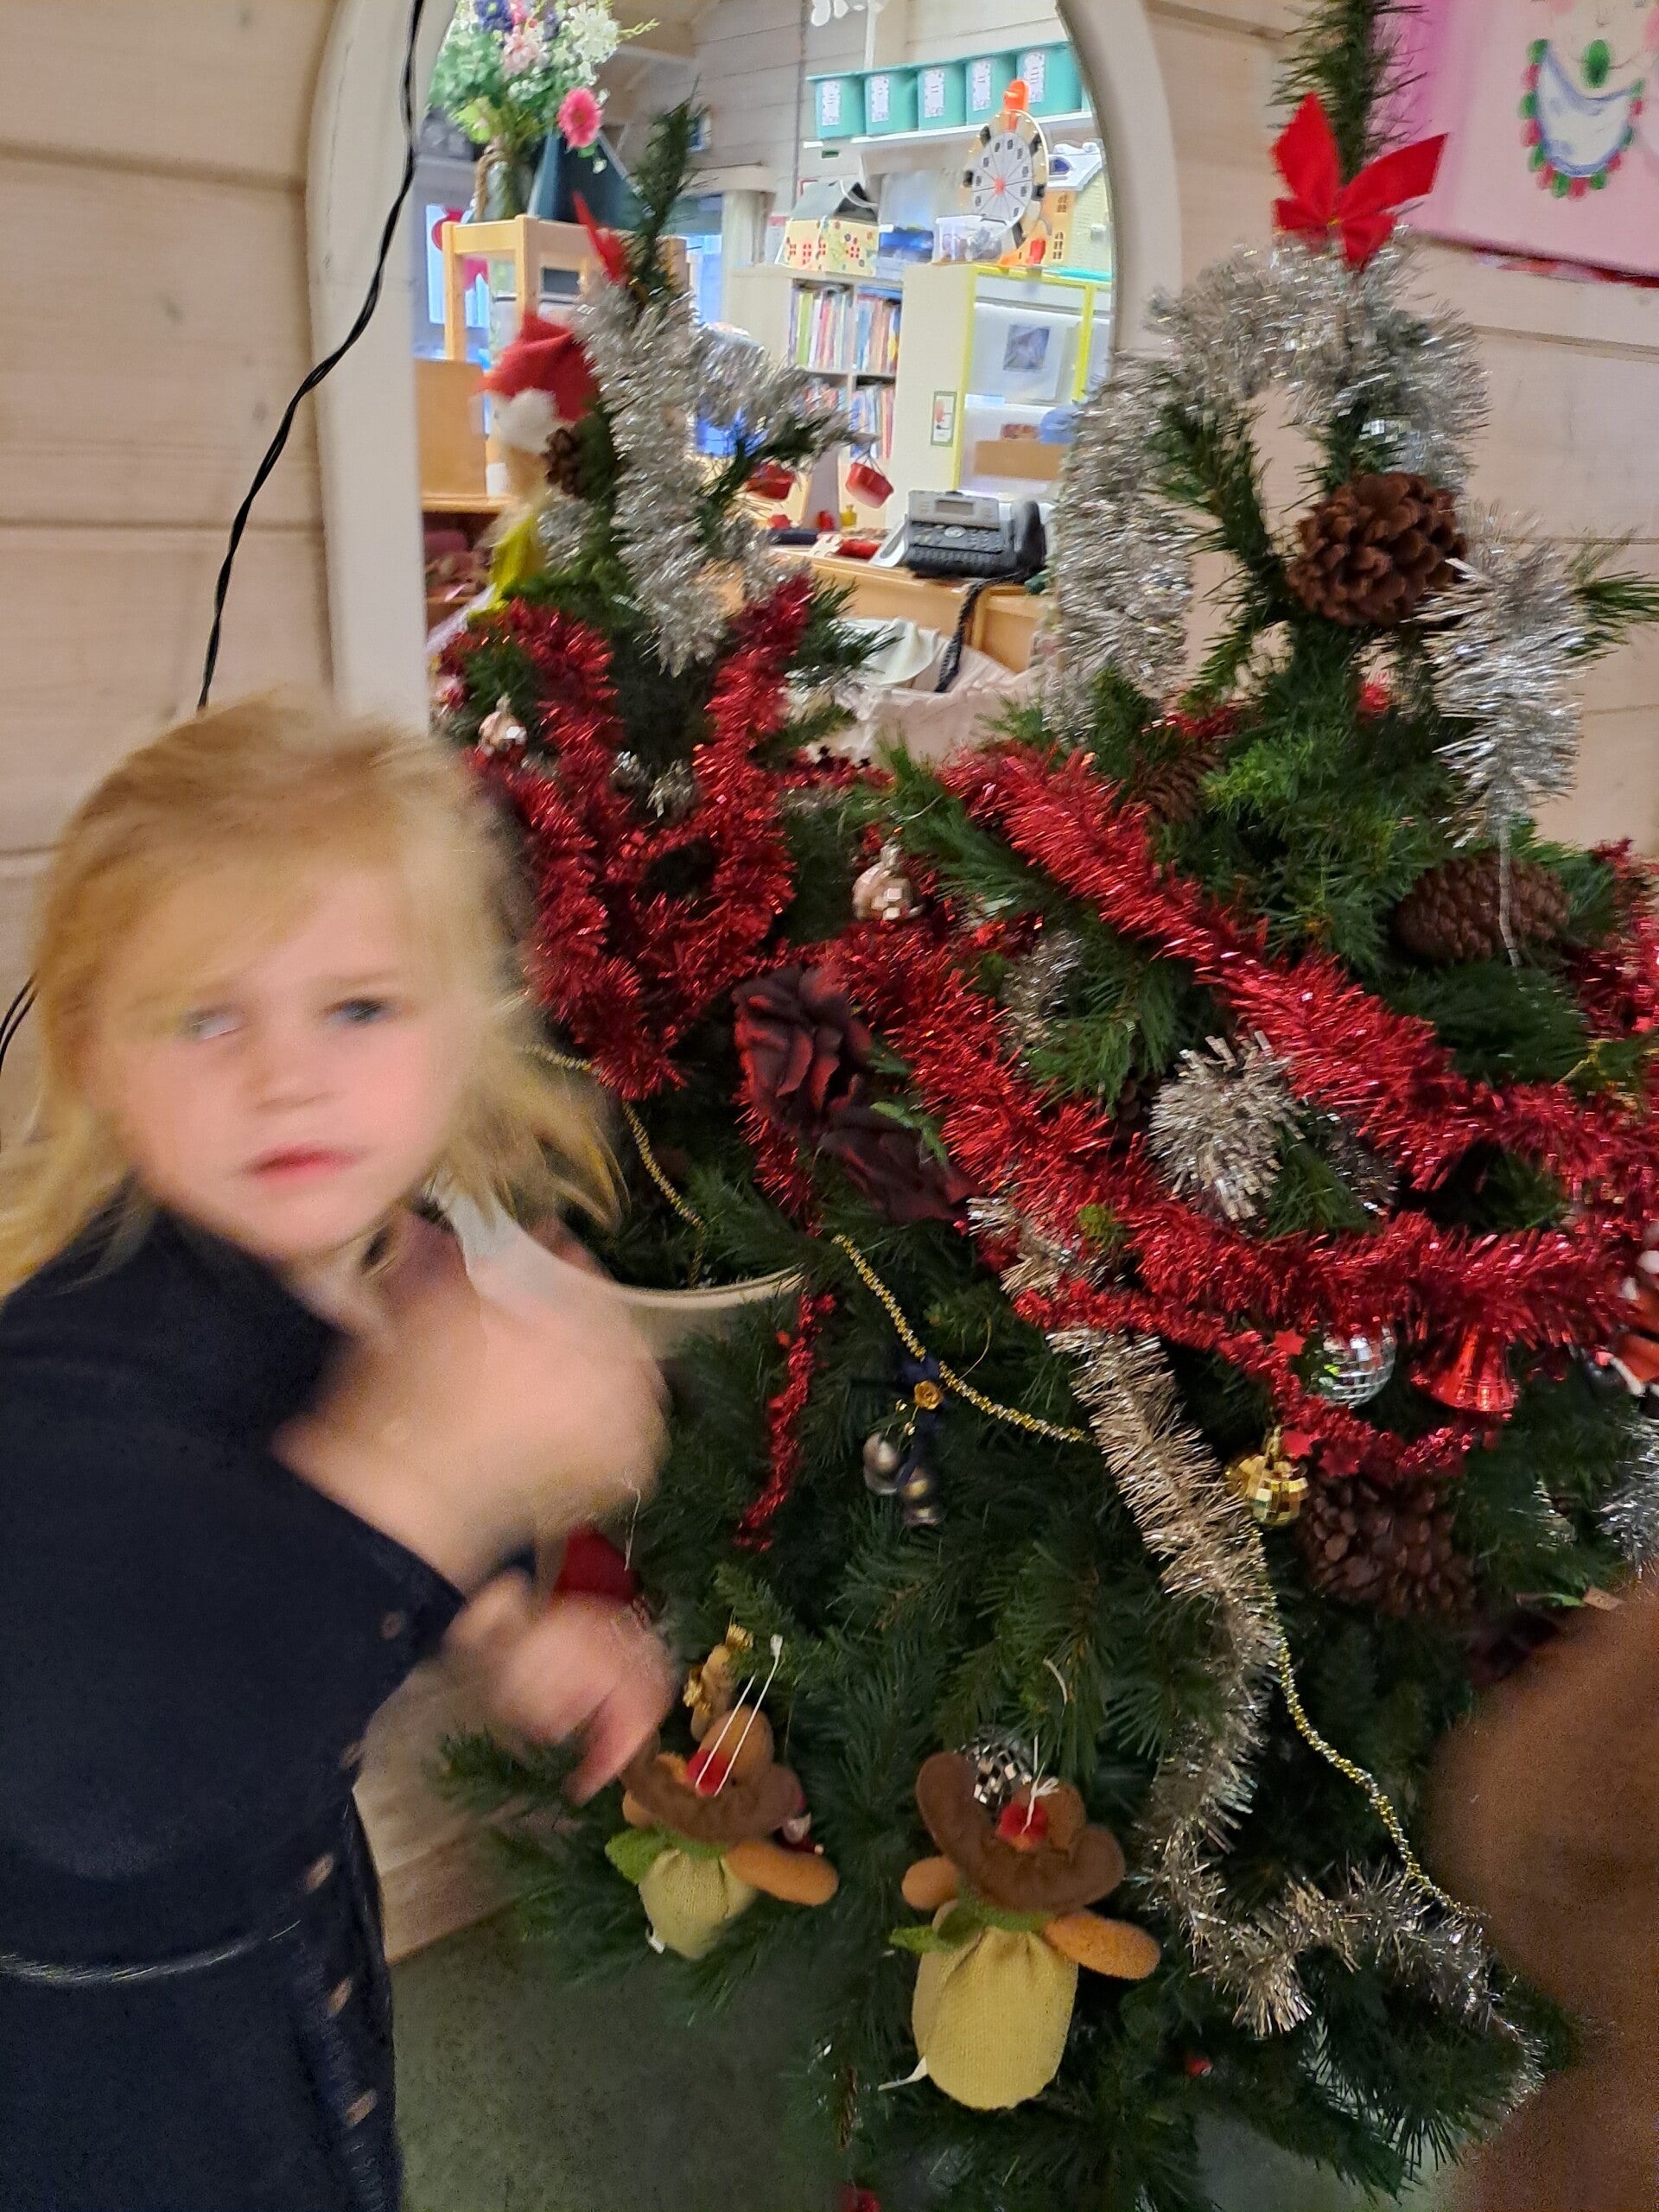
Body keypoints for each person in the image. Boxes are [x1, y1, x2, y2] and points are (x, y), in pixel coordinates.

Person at [0, 696, 676, 2212]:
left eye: (359, 1008)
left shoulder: (347, 1260)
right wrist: (420, 1476)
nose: (287, 1079)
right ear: (99, 1056)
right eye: (207, 1019)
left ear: (460, 1030)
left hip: (279, 1945)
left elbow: (332, 1517)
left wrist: (497, 1625)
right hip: (101, 2069)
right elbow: (103, 1779)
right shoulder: (62, 1380)